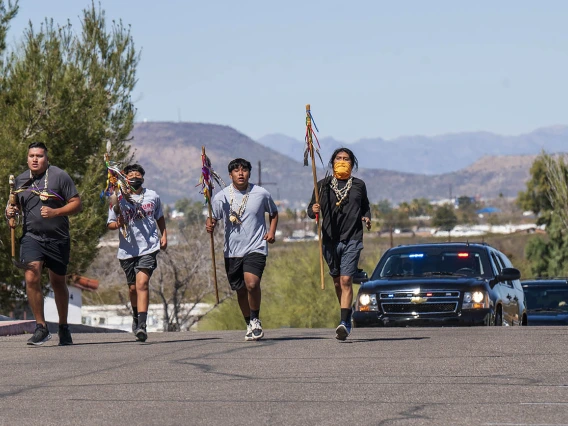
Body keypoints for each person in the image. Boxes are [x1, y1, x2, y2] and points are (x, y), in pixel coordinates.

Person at [5, 142, 82, 346]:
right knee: (31, 277)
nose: (35, 159)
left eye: (39, 155)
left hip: (58, 238)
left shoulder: (59, 176)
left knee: (58, 282)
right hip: (32, 237)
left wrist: (56, 212)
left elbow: (76, 203)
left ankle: (64, 326)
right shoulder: (20, 180)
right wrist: (9, 214)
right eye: (31, 155)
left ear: (46, 158)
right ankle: (41, 327)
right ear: (27, 158)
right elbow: (13, 208)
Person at [206, 158, 278, 341]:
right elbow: (213, 218)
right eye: (236, 170)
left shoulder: (261, 193)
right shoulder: (221, 197)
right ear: (230, 175)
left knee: (252, 283)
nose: (241, 173)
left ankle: (255, 320)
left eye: (244, 170)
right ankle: (249, 323)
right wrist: (210, 224)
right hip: (232, 251)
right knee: (240, 290)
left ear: (249, 173)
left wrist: (271, 232)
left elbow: (274, 213)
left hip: (256, 246)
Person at [307, 148, 371, 341]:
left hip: (352, 238)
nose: (342, 161)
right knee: (337, 281)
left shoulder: (359, 185)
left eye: (346, 159)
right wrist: (314, 209)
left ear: (352, 163)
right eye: (338, 158)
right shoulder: (323, 185)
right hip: (329, 240)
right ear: (332, 162)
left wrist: (366, 217)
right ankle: (346, 313)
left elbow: (366, 206)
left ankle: (344, 323)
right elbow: (311, 212)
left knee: (345, 280)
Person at [107, 164, 167, 342]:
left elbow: (160, 217)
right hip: (127, 249)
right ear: (125, 178)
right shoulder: (117, 198)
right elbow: (110, 224)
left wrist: (164, 235)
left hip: (149, 247)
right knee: (133, 288)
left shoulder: (152, 196)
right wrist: (118, 222)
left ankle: (142, 325)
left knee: (142, 283)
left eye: (138, 174)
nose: (134, 177)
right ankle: (135, 316)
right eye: (131, 174)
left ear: (143, 177)